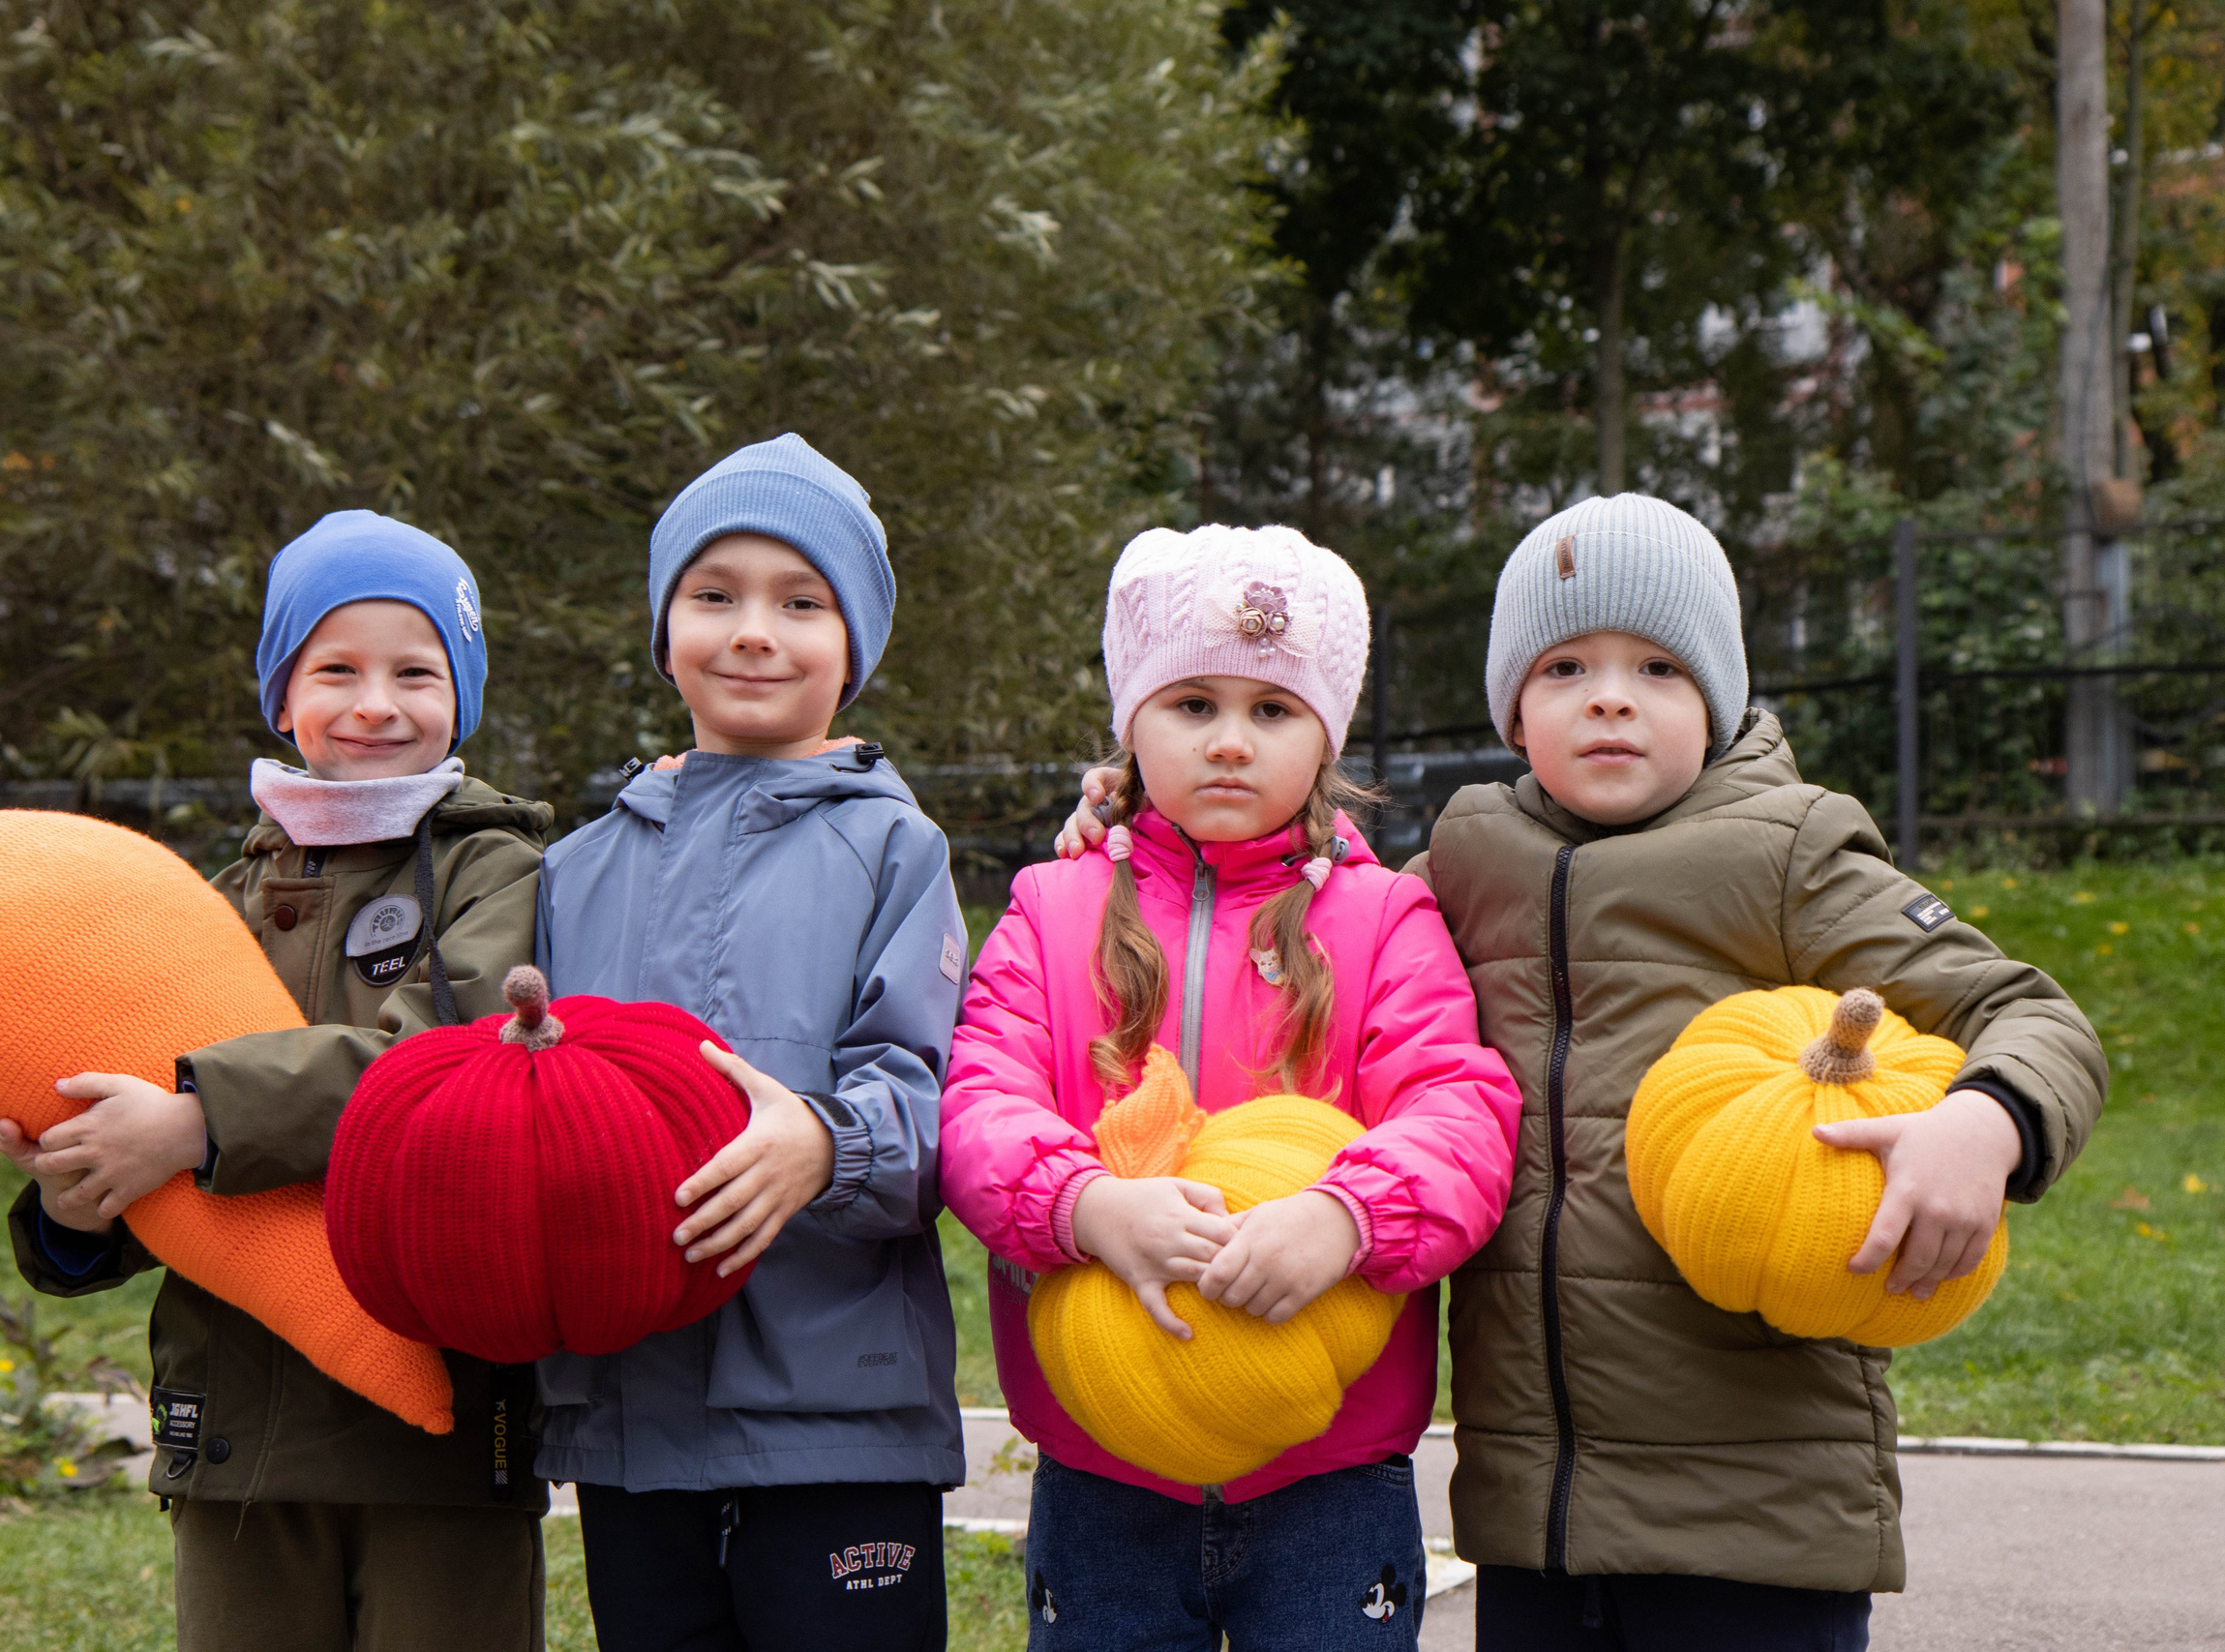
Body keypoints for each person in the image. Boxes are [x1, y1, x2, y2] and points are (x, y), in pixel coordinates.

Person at [1062, 495, 2107, 1651]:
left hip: (1758, 1503)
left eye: (1659, 667)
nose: (1610, 695)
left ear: (1716, 700)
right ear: (1514, 711)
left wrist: (1987, 1122)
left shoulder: (1791, 852)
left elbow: (2029, 1013)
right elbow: (1301, 879)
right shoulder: (1464, 860)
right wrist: (1126, 825)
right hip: (1532, 1512)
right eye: (1564, 667)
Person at [943, 523, 1521, 1650]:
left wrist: (1347, 1215)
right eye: (1191, 704)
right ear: (1131, 723)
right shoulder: (1050, 914)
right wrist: (1085, 1206)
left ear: (1326, 735)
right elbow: (978, 1107)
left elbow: (1460, 1110)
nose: (1228, 741)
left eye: (1271, 711)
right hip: (1103, 1465)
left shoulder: (1383, 920)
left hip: (1330, 1472)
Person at [0, 511, 556, 1652]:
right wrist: (75, 1204)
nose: (375, 703)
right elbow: (133, 1125)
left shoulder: (499, 867)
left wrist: (199, 1120)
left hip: (444, 1428)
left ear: (464, 693)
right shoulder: (208, 899)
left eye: (415, 670)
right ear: (281, 694)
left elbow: (441, 1065)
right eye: (335, 668)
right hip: (233, 1437)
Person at [528, 434, 967, 1652]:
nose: (754, 631)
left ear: (856, 646)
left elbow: (941, 1099)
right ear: (664, 626)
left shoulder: (894, 851)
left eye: (801, 601)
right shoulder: (574, 868)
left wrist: (826, 1150)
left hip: (836, 1416)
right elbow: (533, 1106)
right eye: (713, 595)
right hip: (630, 1414)